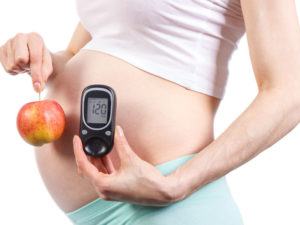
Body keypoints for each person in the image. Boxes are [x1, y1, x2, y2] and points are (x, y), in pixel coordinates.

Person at [0, 0, 299, 224]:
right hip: (92, 214)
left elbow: (289, 92)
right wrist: (39, 56)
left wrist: (177, 185)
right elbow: (82, 53)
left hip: (173, 204)